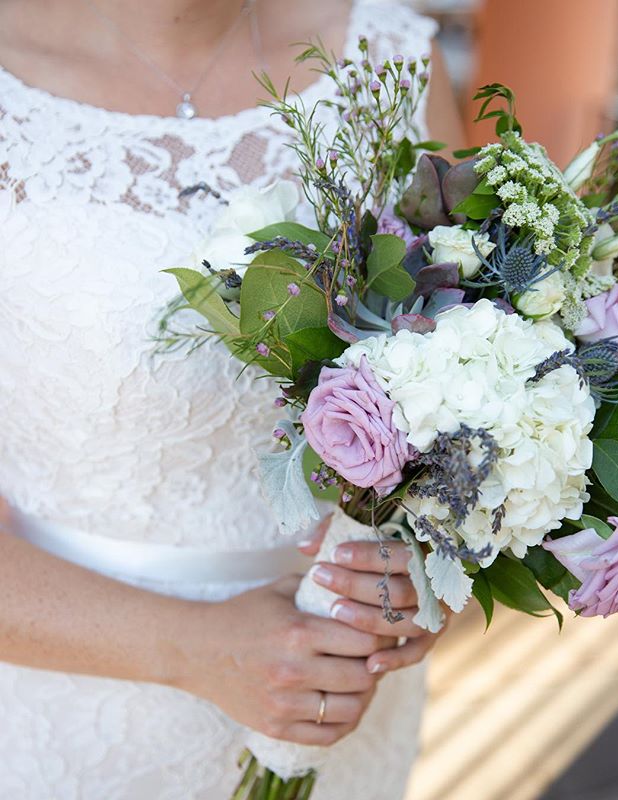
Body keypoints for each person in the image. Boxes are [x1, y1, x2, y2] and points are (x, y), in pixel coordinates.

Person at [0, 1, 464, 797]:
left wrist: (432, 564)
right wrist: (192, 647)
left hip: (345, 703)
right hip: (67, 711)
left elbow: (481, 381)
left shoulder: (394, 58)